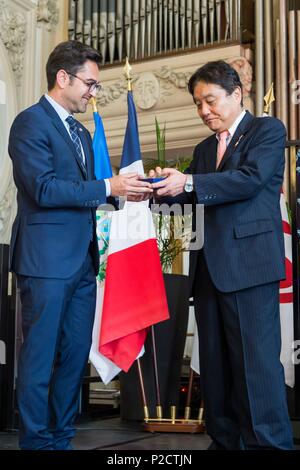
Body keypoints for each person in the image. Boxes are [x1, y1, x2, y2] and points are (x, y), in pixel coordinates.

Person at [8, 40, 152, 450]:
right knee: (40, 357)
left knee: (73, 357)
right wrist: (108, 185)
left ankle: (61, 437)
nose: (94, 92)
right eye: (90, 83)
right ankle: (37, 442)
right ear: (63, 78)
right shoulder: (29, 123)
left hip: (83, 263)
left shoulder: (82, 132)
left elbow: (85, 191)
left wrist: (123, 194)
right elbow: (44, 189)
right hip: (46, 262)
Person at [150, 60, 293, 450]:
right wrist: (160, 186)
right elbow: (191, 199)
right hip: (209, 271)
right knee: (216, 368)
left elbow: (249, 179)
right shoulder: (202, 149)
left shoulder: (266, 130)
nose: (204, 111)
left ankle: (267, 443)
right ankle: (227, 440)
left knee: (256, 367)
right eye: (198, 104)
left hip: (249, 267)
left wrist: (190, 181)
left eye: (210, 100)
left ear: (235, 94)